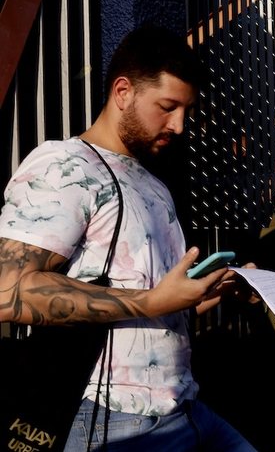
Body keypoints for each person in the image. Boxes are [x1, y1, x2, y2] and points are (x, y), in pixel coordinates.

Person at [0, 25, 255, 450]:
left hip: (185, 406)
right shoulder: (65, 166)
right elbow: (8, 290)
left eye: (186, 112)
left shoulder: (154, 184)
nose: (179, 125)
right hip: (113, 416)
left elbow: (158, 303)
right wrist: (152, 301)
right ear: (123, 92)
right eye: (168, 107)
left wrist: (207, 292)